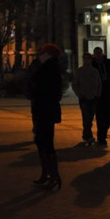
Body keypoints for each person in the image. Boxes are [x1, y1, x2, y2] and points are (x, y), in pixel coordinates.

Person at [29, 43, 64, 190]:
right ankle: (46, 173)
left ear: (49, 55)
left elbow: (51, 90)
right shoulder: (41, 66)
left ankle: (54, 176)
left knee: (47, 142)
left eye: (42, 53)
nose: (39, 55)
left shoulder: (51, 68)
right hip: (40, 109)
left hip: (46, 110)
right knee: (40, 141)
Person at [71, 52, 102, 146]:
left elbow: (99, 83)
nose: (87, 60)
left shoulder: (95, 71)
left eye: (88, 58)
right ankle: (88, 136)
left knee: (90, 117)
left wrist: (97, 94)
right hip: (84, 97)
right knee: (86, 117)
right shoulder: (79, 71)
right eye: (85, 58)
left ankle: (86, 135)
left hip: (93, 97)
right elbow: (75, 84)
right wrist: (79, 94)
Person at [91, 47, 110, 145]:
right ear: (94, 54)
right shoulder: (92, 65)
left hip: (108, 93)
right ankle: (101, 136)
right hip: (98, 94)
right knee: (100, 116)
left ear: (102, 53)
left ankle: (103, 132)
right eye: (96, 53)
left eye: (99, 53)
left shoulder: (108, 64)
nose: (98, 55)